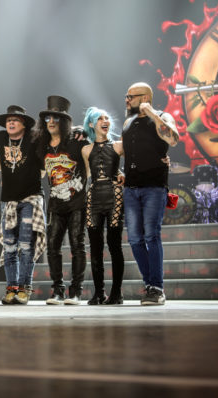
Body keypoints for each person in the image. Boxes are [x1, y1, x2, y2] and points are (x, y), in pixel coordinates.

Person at [122, 82, 179, 306]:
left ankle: (156, 287)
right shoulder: (128, 122)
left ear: (145, 98)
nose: (127, 100)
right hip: (131, 188)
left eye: (131, 96)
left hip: (153, 186)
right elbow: (125, 149)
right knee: (135, 239)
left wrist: (153, 114)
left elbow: (173, 138)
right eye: (126, 96)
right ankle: (150, 285)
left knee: (151, 236)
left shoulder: (163, 116)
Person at [0, 105, 45, 305]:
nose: (11, 122)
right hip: (9, 200)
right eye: (8, 120)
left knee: (26, 245)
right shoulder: (0, 137)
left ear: (24, 123)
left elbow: (55, 139)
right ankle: (11, 288)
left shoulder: (34, 138)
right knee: (9, 246)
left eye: (15, 120)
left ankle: (24, 288)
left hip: (30, 199)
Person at [34, 96, 88, 305]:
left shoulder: (77, 140)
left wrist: (84, 131)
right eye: (48, 118)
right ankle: (58, 290)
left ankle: (76, 291)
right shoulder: (43, 145)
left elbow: (93, 157)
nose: (51, 121)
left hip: (77, 203)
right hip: (56, 204)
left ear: (64, 121)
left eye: (56, 118)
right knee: (52, 246)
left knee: (77, 245)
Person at [81, 108, 125, 305]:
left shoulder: (118, 146)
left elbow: (137, 160)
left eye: (107, 118)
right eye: (99, 118)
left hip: (114, 196)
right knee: (95, 247)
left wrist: (123, 173)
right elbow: (87, 175)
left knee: (114, 244)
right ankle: (98, 293)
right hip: (94, 197)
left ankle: (116, 293)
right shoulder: (86, 150)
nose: (104, 121)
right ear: (91, 124)